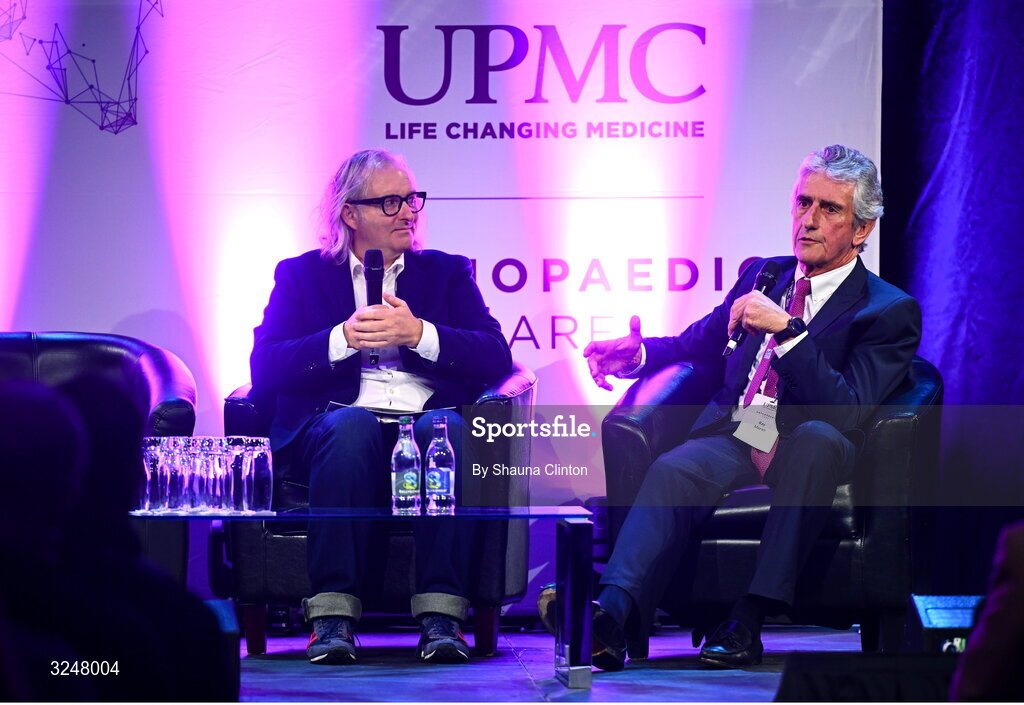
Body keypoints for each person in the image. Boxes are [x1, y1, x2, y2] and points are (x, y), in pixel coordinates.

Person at [582, 144, 921, 670]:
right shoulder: (764, 275)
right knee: (674, 468)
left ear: (861, 230)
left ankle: (749, 617)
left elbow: (849, 409)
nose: (808, 220)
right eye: (802, 203)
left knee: (817, 439)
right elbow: (697, 344)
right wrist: (640, 353)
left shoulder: (888, 310)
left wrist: (788, 330)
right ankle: (611, 616)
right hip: (742, 429)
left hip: (813, 440)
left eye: (829, 209)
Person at [251, 149, 512, 665]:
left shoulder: (446, 273)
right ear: (351, 214)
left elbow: (495, 354)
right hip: (337, 422)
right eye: (391, 202)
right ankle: (332, 618)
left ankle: (442, 617)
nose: (409, 212)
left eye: (412, 200)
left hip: (424, 418)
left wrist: (421, 334)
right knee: (352, 426)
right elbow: (266, 365)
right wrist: (342, 338)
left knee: (447, 430)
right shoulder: (302, 277)